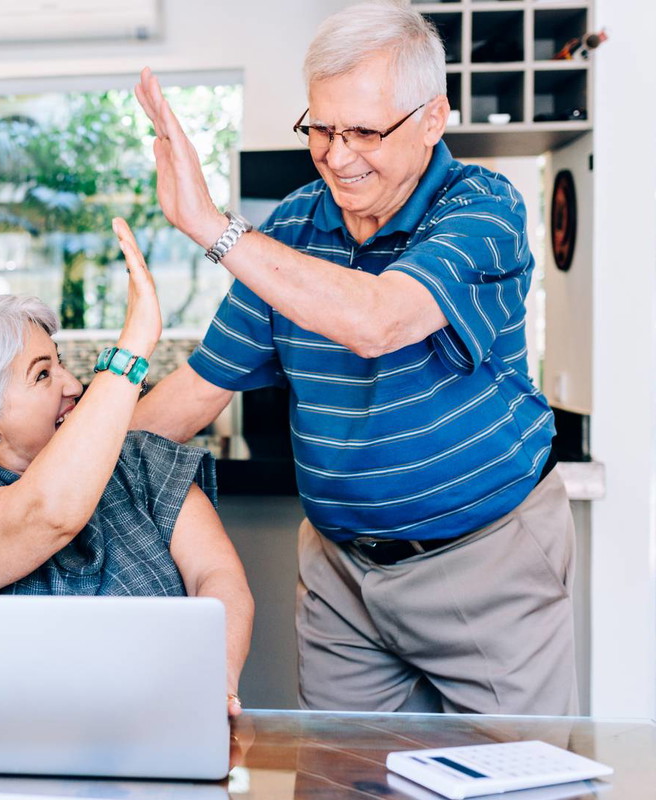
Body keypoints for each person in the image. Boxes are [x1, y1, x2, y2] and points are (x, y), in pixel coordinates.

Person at [131, 1, 576, 715]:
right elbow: (196, 390)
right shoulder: (294, 228)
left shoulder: (482, 210)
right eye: (322, 128)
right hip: (342, 574)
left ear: (433, 120)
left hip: (489, 560)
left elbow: (380, 319)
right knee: (344, 782)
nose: (338, 155)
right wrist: (53, 480)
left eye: (365, 130)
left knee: (514, 783)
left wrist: (208, 225)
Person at [0, 218, 255, 717]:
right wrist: (132, 349)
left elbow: (216, 576)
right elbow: (48, 512)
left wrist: (216, 676)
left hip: (160, 728)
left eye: (60, 362)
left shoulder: (140, 460)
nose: (72, 384)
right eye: (42, 374)